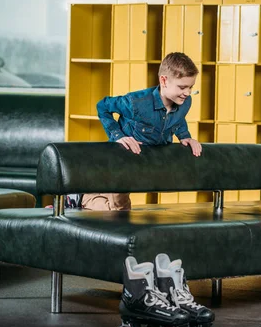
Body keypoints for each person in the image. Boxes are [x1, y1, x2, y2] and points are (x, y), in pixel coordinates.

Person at [82, 52, 202, 211]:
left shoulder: (185, 102)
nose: (187, 92)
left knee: (119, 209)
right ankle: (81, 198)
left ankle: (87, 197)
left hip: (145, 162)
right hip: (122, 160)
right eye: (182, 87)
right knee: (118, 209)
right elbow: (102, 106)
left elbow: (177, 118)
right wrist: (118, 136)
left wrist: (185, 136)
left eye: (190, 87)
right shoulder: (135, 103)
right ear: (164, 80)